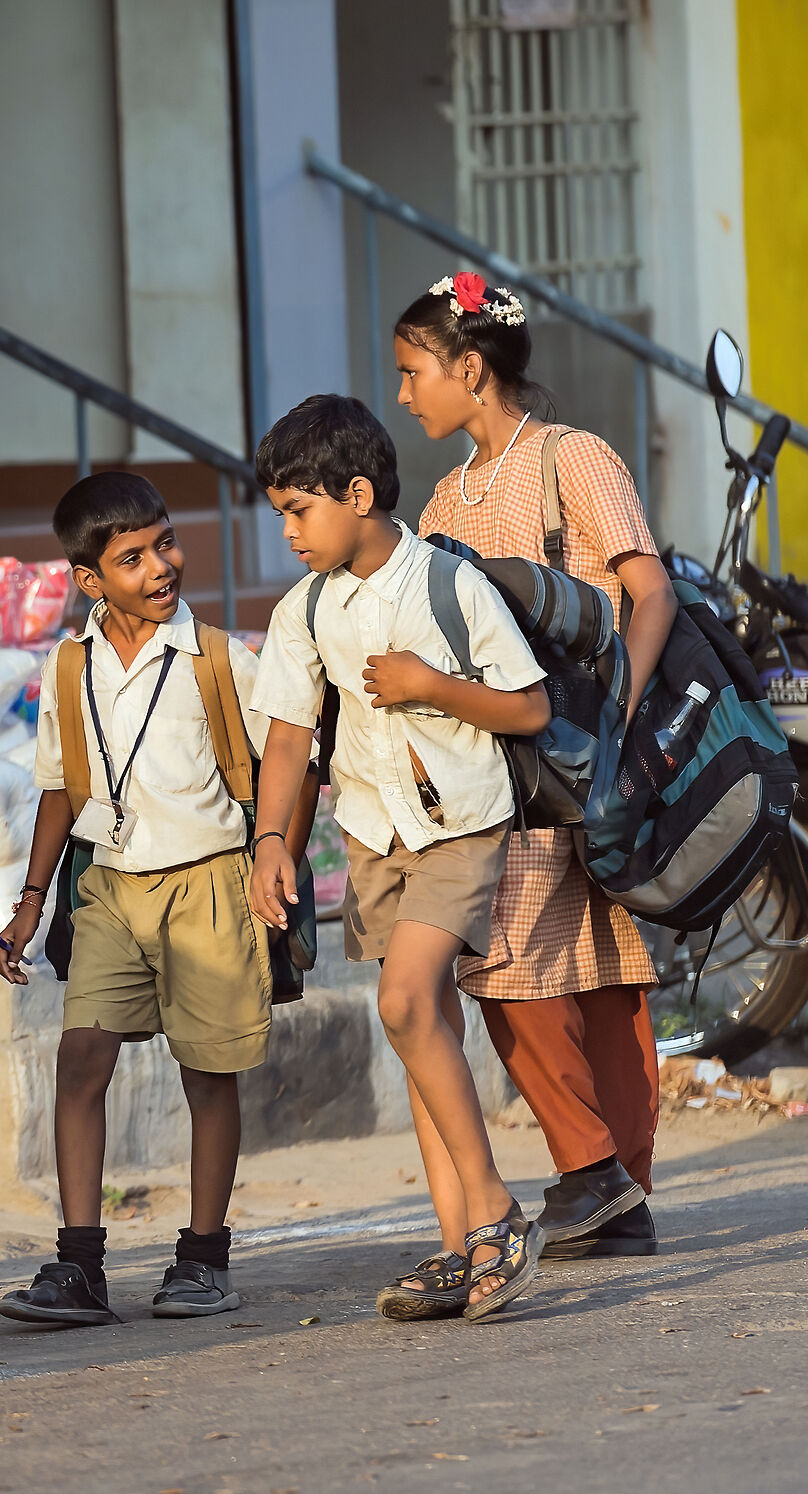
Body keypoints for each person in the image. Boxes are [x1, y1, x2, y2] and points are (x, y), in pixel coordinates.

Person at [247, 395, 551, 1322]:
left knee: (406, 1000)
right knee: (426, 1032)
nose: (290, 534)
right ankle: (461, 1244)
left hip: (460, 823)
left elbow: (530, 708)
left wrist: (432, 685)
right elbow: (290, 737)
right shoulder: (305, 608)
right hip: (376, 834)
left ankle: (498, 1210)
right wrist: (270, 841)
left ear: (360, 493)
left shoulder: (449, 587)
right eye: (281, 517)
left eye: (301, 511)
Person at [395, 271, 674, 1257]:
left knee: (606, 974)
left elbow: (650, 591)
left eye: (413, 371)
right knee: (509, 961)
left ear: (469, 368)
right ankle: (597, 1176)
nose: (403, 393)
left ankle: (612, 1186)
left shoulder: (572, 458)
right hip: (501, 772)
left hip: (593, 753)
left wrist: (628, 727)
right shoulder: (436, 504)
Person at [0, 471, 301, 1328]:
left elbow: (286, 757)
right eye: (134, 557)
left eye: (165, 543)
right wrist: (30, 900)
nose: (163, 565)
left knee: (208, 1073)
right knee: (81, 1056)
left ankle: (203, 1257)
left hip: (209, 882)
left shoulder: (217, 658)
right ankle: (79, 1265)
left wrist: (278, 854)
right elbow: (59, 789)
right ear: (90, 580)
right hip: (108, 889)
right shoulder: (68, 665)